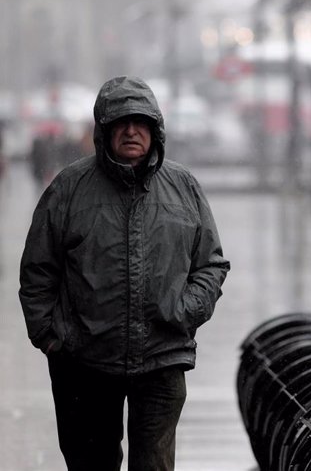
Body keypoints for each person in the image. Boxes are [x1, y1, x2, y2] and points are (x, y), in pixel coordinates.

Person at [18, 76, 230, 471]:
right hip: (85, 364)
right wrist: (51, 336)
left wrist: (184, 311)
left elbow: (211, 264)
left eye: (140, 122)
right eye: (120, 122)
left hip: (161, 360)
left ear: (155, 129)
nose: (131, 130)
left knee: (154, 465)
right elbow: (38, 271)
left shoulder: (182, 187)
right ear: (104, 131)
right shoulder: (69, 188)